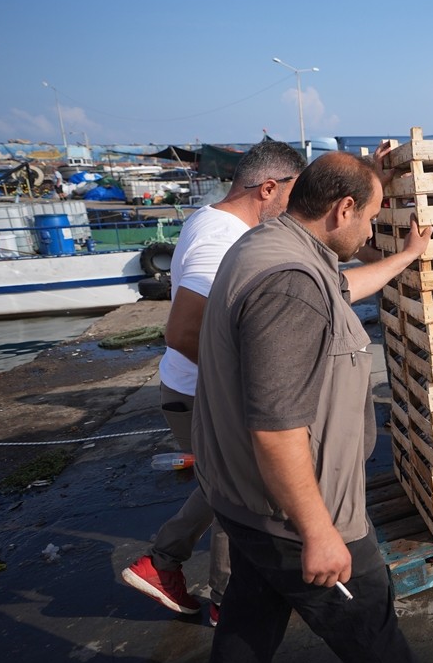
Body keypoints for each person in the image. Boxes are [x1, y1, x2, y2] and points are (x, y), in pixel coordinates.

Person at [192, 152, 433, 663]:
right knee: (363, 609)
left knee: (253, 612)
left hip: (243, 497)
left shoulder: (272, 246)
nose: (371, 231)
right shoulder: (290, 285)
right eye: (369, 218)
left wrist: (407, 257)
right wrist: (318, 531)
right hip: (292, 508)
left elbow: (340, 290)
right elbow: (276, 429)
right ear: (343, 209)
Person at [121, 140, 308, 626]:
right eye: (295, 195)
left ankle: (163, 564)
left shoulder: (214, 221)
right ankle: (228, 599)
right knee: (243, 494)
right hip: (202, 394)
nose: (298, 208)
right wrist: (247, 385)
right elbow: (182, 332)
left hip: (191, 389)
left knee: (223, 485)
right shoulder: (221, 240)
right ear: (268, 188)